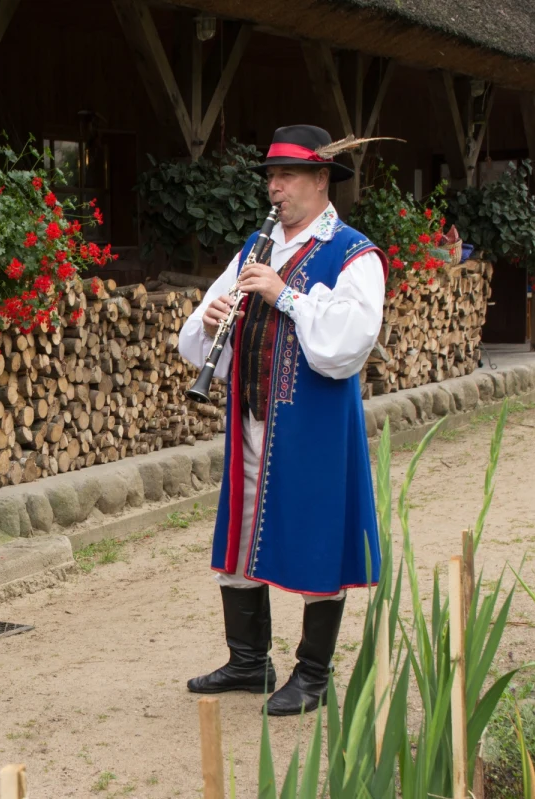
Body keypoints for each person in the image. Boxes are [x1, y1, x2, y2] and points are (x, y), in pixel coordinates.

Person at [177, 125, 387, 716]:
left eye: (286, 176)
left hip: (314, 426)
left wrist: (284, 295)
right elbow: (195, 336)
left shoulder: (354, 254)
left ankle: (312, 673)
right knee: (243, 529)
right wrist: (213, 318)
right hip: (250, 417)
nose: (275, 188)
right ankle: (249, 661)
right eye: (270, 176)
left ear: (322, 181)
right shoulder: (257, 245)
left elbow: (347, 344)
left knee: (316, 533)